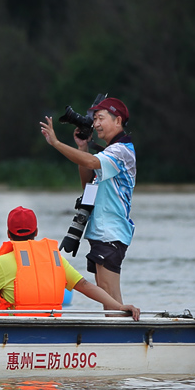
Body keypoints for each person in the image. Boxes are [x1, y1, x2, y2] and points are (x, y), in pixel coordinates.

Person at [0, 207, 140, 320]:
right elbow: (85, 286)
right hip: (50, 326)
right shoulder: (55, 258)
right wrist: (118, 306)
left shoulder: (3, 263)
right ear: (36, 232)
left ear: (9, 234)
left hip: (13, 330)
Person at [40, 97, 136, 303]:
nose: (96, 124)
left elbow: (92, 161)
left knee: (111, 297)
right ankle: (113, 333)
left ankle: (119, 334)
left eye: (100, 118)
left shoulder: (121, 151)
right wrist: (82, 147)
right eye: (94, 119)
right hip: (102, 231)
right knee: (107, 296)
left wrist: (56, 143)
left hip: (111, 231)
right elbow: (88, 185)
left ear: (117, 120)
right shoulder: (111, 152)